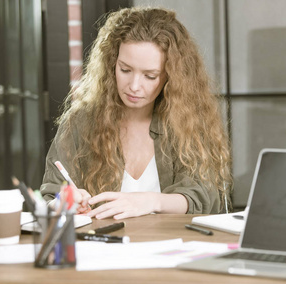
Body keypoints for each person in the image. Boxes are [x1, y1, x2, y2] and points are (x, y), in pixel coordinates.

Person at [40, 6, 232, 220]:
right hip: (102, 247)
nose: (134, 86)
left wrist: (151, 201)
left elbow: (207, 197)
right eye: (125, 70)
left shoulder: (187, 121)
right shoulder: (80, 122)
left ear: (171, 76)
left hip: (172, 248)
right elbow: (51, 195)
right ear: (111, 63)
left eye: (150, 76)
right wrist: (67, 202)